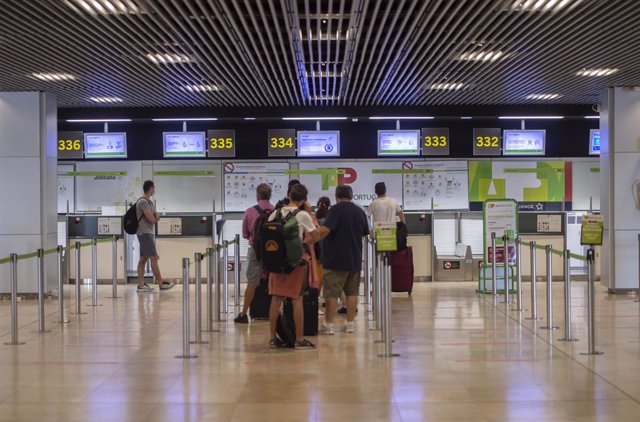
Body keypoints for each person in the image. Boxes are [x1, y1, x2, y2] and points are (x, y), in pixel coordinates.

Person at [310, 185, 369, 335]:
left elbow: (325, 230)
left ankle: (328, 325)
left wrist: (311, 237)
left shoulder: (335, 211)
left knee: (332, 293)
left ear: (337, 197)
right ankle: (350, 323)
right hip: (354, 258)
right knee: (352, 293)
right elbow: (365, 232)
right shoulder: (359, 211)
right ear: (351, 196)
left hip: (335, 259)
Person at [268, 184, 318, 349]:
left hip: (276, 262)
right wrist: (310, 213)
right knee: (297, 299)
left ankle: (272, 338)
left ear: (288, 195)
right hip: (295, 263)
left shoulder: (275, 212)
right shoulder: (303, 214)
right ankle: (299, 338)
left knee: (276, 298)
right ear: (304, 200)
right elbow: (315, 234)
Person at [234, 183, 274, 324]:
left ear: (257, 196)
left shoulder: (250, 211)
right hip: (273, 251)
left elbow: (245, 234)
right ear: (270, 196)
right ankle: (276, 312)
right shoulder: (276, 210)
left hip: (255, 250)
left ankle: (244, 313)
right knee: (274, 281)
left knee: (252, 282)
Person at [135, 180, 175, 292]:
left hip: (147, 232)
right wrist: (155, 218)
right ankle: (161, 283)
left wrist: (155, 217)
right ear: (150, 188)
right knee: (154, 257)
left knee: (143, 258)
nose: (154, 190)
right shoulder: (143, 202)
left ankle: (141, 285)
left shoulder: (150, 203)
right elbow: (153, 219)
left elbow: (156, 216)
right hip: (144, 233)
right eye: (154, 188)